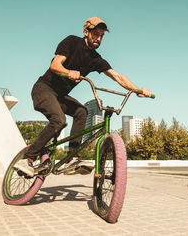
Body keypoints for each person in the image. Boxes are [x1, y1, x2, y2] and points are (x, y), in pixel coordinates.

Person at [15, 17, 151, 176]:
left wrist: (137, 90)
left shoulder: (95, 59)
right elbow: (55, 64)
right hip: (43, 89)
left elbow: (118, 76)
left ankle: (72, 157)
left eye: (101, 36)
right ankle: (27, 158)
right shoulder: (71, 42)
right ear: (86, 32)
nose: (98, 38)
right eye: (95, 34)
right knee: (59, 120)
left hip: (60, 96)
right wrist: (67, 72)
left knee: (81, 111)